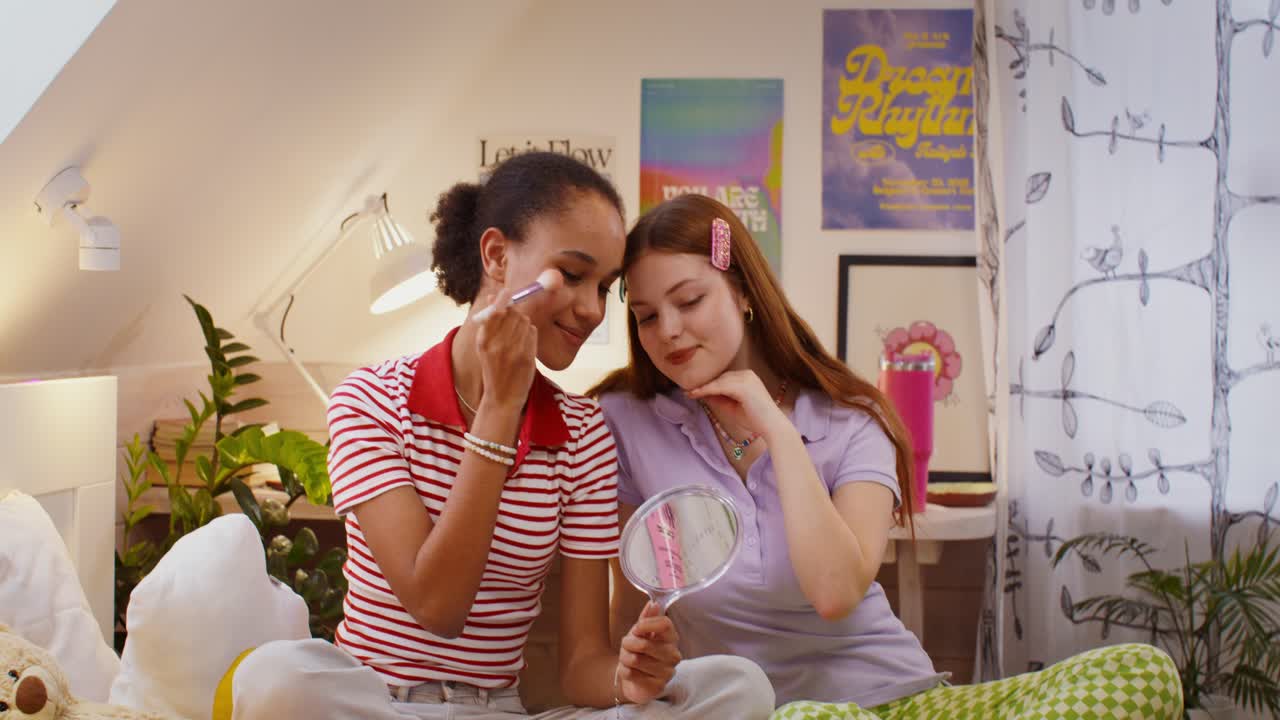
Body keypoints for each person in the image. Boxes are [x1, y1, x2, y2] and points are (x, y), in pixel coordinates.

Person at [591, 194, 1184, 720]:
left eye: (689, 300)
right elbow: (629, 607)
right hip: (774, 713)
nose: (667, 330)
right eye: (645, 316)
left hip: (903, 702)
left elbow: (835, 591)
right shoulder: (628, 421)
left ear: (742, 292)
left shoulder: (853, 421)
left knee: (1141, 670)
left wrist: (776, 428)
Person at [228, 154, 774, 720]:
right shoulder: (371, 400)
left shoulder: (583, 436)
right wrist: (501, 408)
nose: (591, 309)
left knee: (736, 687)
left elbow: (582, 664)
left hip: (497, 711)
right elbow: (437, 605)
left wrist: (627, 680)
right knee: (274, 680)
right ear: (496, 255)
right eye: (572, 273)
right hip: (373, 705)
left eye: (605, 287)